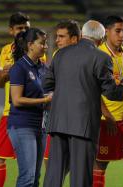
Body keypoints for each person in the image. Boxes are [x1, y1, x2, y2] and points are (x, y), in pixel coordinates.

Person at [41, 20, 123, 187]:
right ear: (101, 38)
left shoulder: (60, 54)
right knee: (81, 179)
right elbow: (112, 92)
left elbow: (47, 84)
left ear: (82, 35)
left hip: (58, 122)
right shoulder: (101, 57)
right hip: (83, 124)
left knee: (53, 176)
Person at [93, 15, 123, 187]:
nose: (122, 35)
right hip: (106, 121)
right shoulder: (98, 54)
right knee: (100, 165)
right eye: (118, 31)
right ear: (107, 32)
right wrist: (107, 115)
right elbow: (93, 89)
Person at [8, 27, 51, 187]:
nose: (45, 46)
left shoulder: (44, 68)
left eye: (46, 43)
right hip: (21, 126)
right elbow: (17, 100)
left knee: (35, 177)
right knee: (28, 177)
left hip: (40, 127)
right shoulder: (19, 67)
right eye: (42, 43)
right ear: (30, 45)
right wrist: (45, 101)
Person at [0, 12, 31, 187]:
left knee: (30, 164)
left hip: (29, 113)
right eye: (19, 28)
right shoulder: (6, 51)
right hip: (9, 112)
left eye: (26, 27)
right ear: (11, 30)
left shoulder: (35, 48)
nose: (23, 31)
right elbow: (0, 82)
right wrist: (5, 73)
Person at [43, 19, 81, 164]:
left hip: (77, 117)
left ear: (74, 39)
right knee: (50, 159)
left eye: (61, 36)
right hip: (60, 115)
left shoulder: (86, 57)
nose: (57, 40)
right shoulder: (57, 55)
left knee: (77, 161)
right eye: (57, 36)